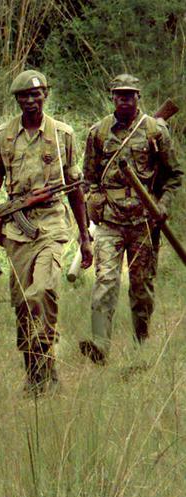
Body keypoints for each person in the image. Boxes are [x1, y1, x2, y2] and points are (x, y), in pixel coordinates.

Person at [0, 70, 92, 393]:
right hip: (16, 230)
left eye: (38, 94)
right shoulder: (3, 137)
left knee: (41, 292)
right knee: (23, 305)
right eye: (25, 96)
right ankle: (36, 373)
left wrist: (85, 237)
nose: (32, 101)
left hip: (52, 226)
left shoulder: (62, 135)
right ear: (16, 100)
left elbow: (74, 189)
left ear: (46, 95)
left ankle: (49, 363)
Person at [79, 74, 183, 364]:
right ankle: (99, 344)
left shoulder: (155, 132)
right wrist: (95, 203)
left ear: (139, 97)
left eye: (130, 94)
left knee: (142, 289)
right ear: (112, 97)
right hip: (110, 223)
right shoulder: (97, 133)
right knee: (105, 282)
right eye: (119, 94)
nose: (124, 99)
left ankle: (141, 342)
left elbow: (174, 175)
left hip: (144, 224)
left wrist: (163, 205)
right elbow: (88, 179)